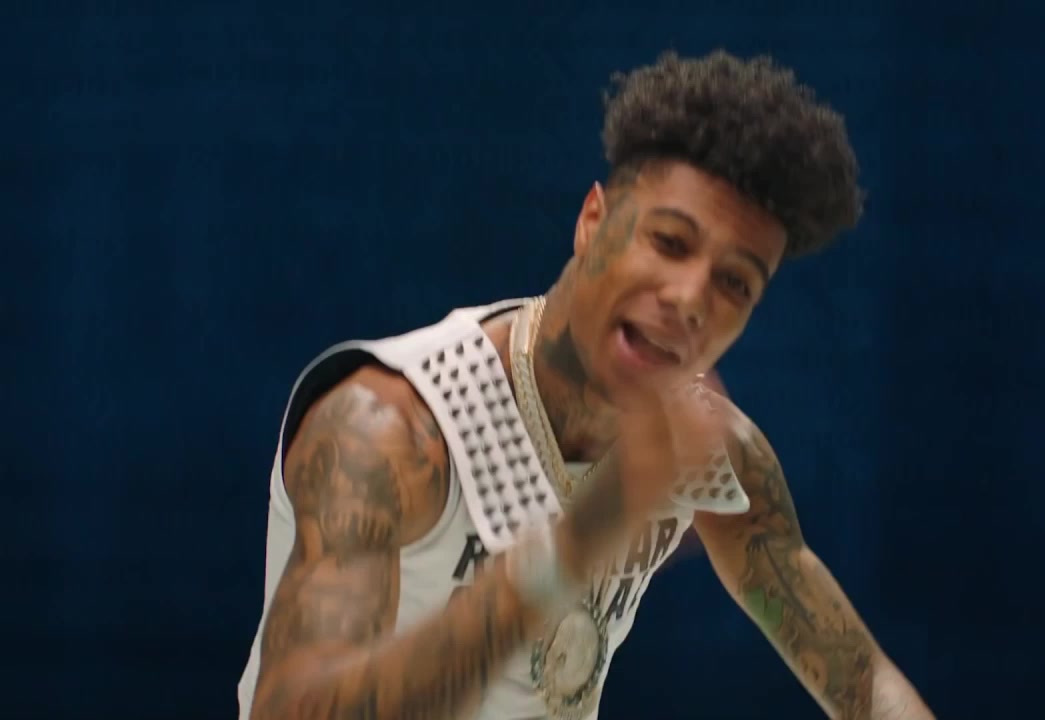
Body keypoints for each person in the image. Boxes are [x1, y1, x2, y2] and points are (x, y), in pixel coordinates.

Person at [236, 50, 934, 720]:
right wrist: (578, 541)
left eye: (734, 283)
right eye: (670, 241)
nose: (691, 298)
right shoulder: (387, 429)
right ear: (592, 221)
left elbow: (862, 683)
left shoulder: (707, 451)